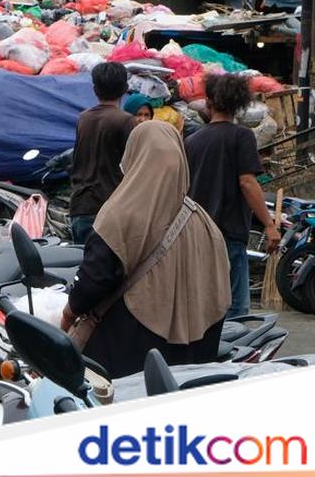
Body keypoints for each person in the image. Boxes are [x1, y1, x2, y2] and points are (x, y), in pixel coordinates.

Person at [62, 122, 230, 378]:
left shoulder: (119, 214)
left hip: (127, 357)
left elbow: (94, 279)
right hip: (193, 361)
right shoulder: (204, 222)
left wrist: (68, 313)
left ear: (134, 157)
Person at [185, 73, 279, 318]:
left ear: (209, 102)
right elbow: (247, 182)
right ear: (240, 104)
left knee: (203, 305)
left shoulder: (192, 141)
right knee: (236, 309)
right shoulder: (242, 136)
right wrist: (269, 225)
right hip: (228, 232)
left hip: (197, 232)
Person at [69, 61, 136, 245]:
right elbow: (134, 167)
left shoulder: (84, 118)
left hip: (80, 206)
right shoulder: (125, 121)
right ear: (125, 88)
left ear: (94, 89)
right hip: (109, 210)